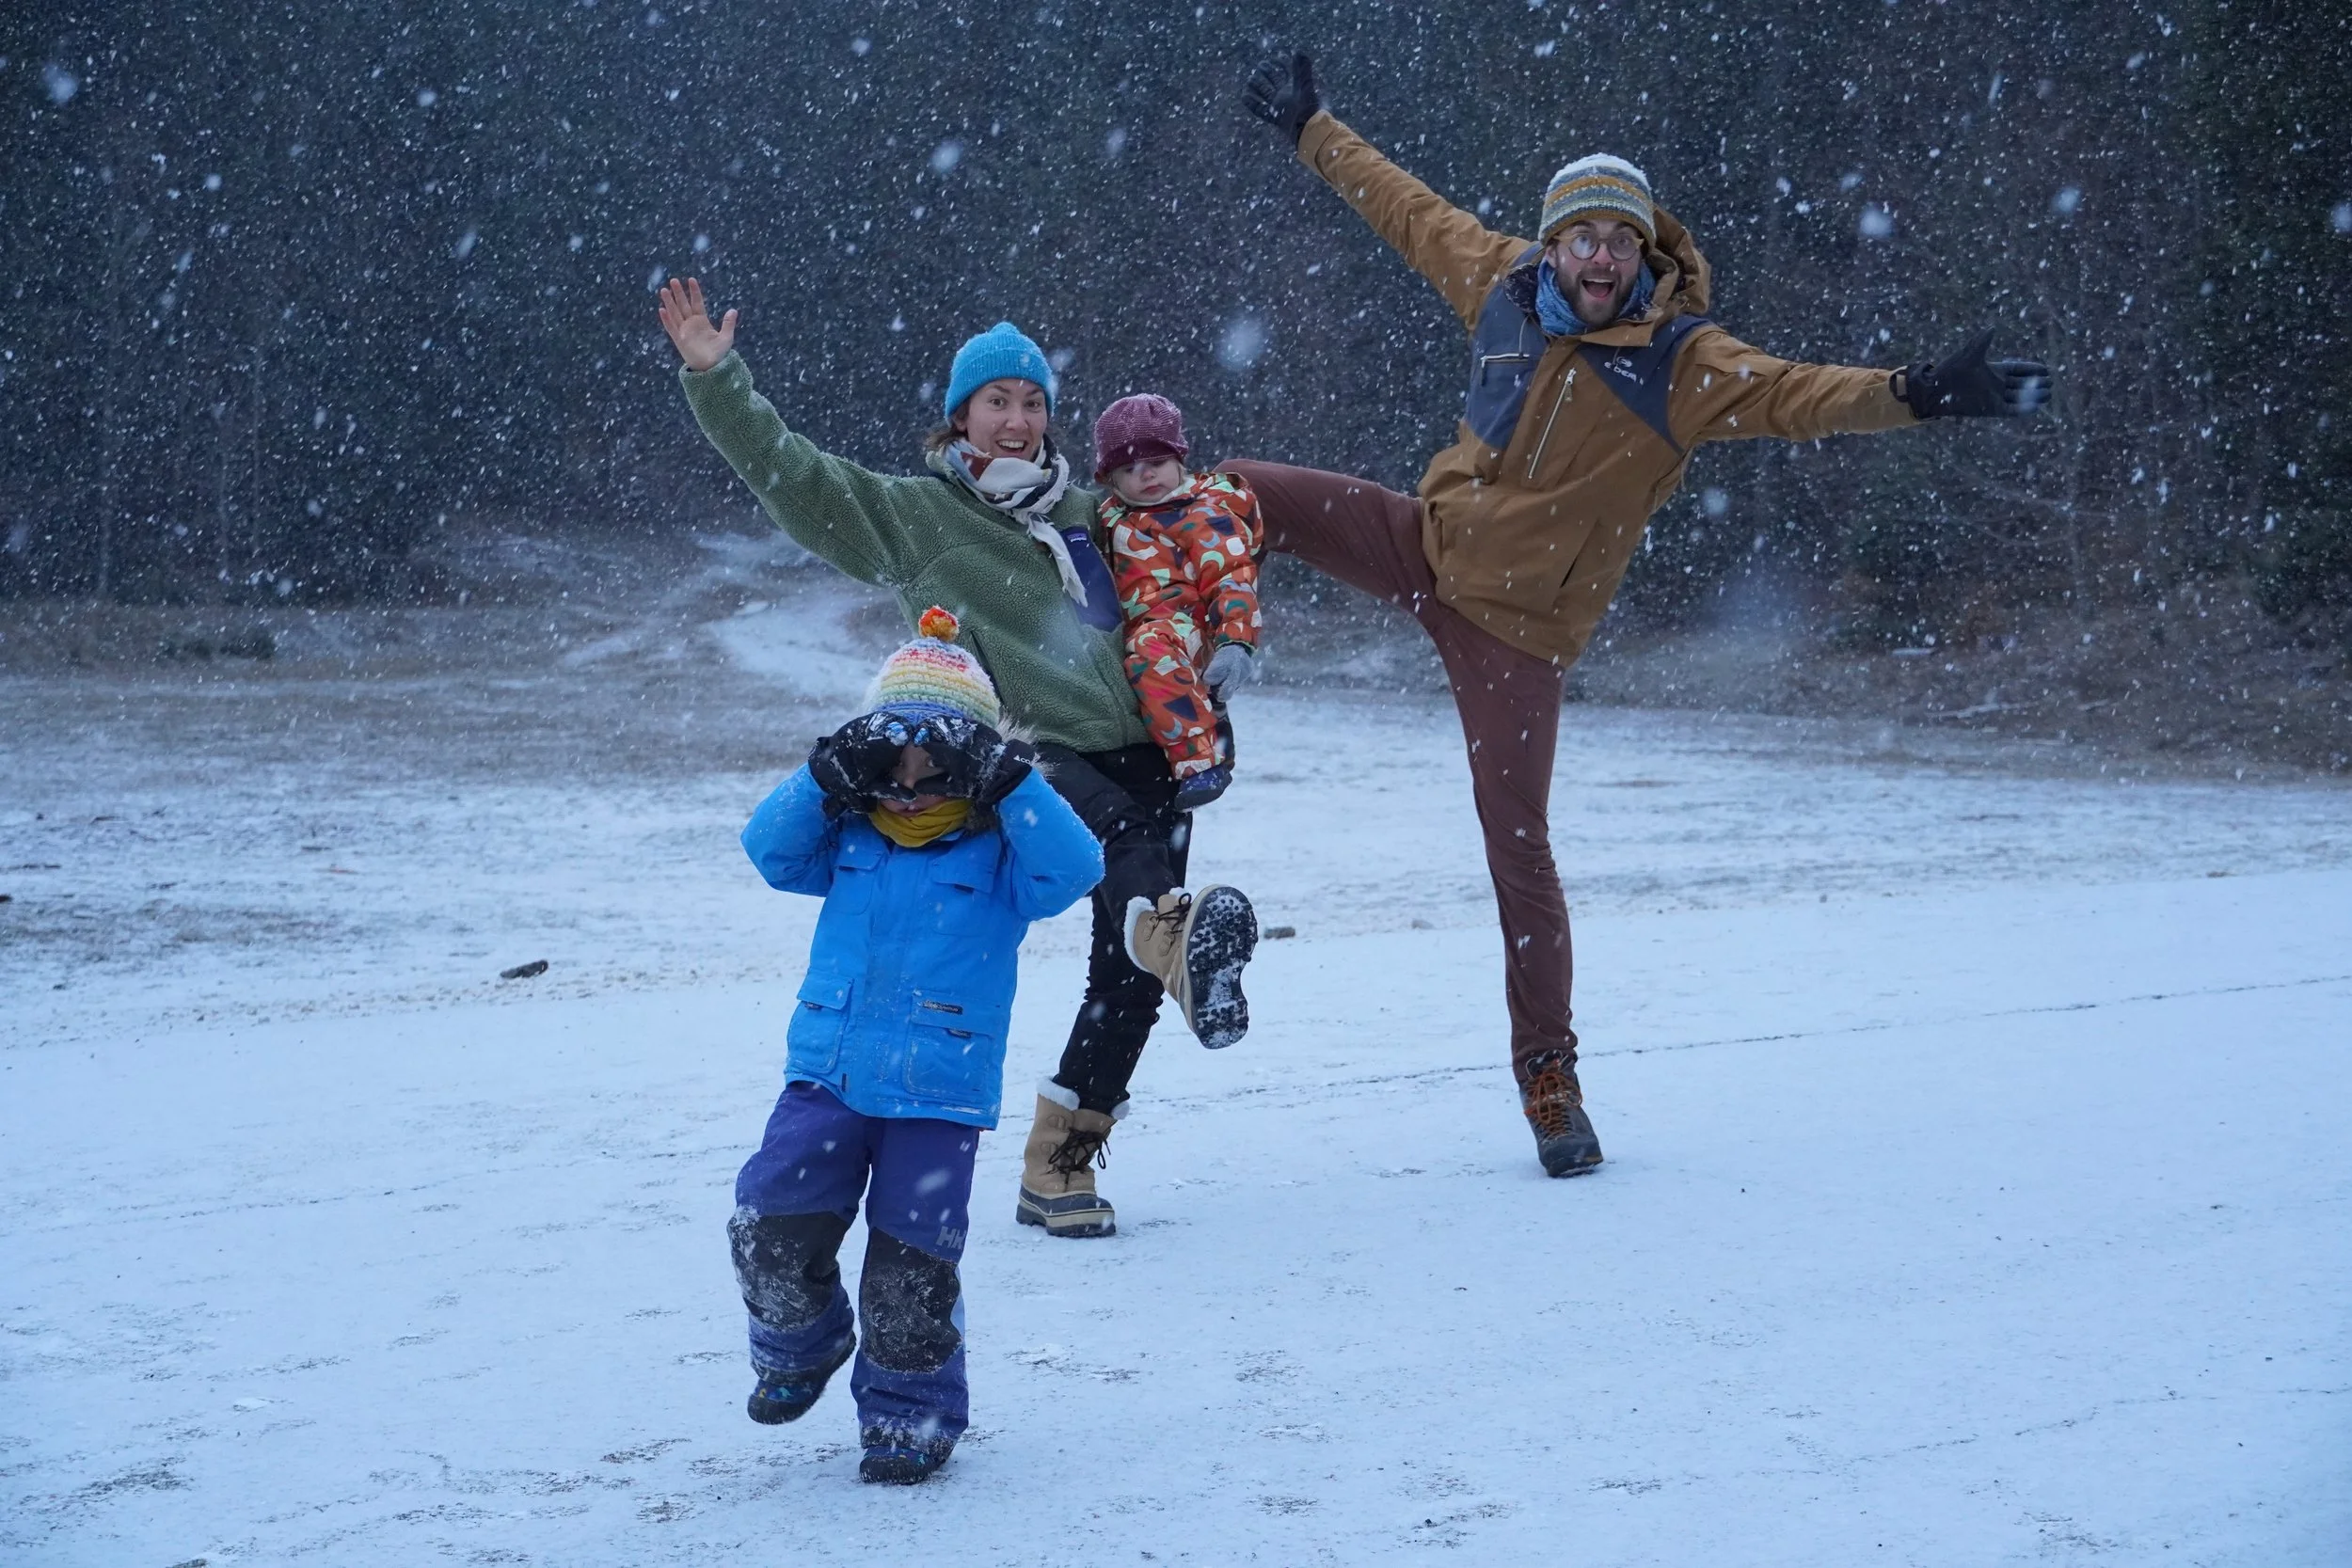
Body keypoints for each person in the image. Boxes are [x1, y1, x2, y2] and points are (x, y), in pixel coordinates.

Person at [1232, 54, 2051, 1179]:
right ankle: (1176, 649)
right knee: (1233, 490)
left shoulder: (1680, 364)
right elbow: (1406, 209)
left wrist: (1915, 392)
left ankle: (1549, 1077)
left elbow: (1798, 393)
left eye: (1620, 238)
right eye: (1582, 236)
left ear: (1644, 252)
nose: (1600, 256)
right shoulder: (1503, 283)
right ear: (1554, 244)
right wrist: (1313, 129)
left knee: (1519, 854)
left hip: (1517, 634)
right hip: (1422, 542)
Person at [657, 284, 1260, 1238]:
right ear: (961, 415)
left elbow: (1190, 559)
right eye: (997, 401)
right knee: (1130, 862)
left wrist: (1217, 657)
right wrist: (716, 379)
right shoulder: (917, 517)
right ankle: (1177, 937)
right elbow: (795, 477)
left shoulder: (1094, 508)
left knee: (1132, 974)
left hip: (1151, 746)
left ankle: (1059, 1162)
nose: (1017, 420)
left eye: (1032, 402)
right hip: (1031, 749)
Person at [730, 608, 1103, 1483]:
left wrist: (1010, 780)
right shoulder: (847, 833)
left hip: (938, 1091)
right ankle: (801, 1342)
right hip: (828, 1075)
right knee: (769, 1222)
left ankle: (911, 1412)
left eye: (933, 767)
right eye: (889, 767)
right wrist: (826, 772)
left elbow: (1076, 868)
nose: (908, 789)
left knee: (911, 1269)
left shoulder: (1004, 849)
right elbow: (768, 851)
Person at [1092, 391, 1264, 812]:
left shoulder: (1204, 514)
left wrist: (1235, 641)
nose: (1146, 475)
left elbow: (1232, 577)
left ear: (1179, 460)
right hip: (1135, 626)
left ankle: (1203, 762)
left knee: (1150, 650)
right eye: (1129, 469)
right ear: (1111, 479)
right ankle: (1209, 718)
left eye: (1157, 462)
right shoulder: (1109, 517)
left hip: (1190, 624)